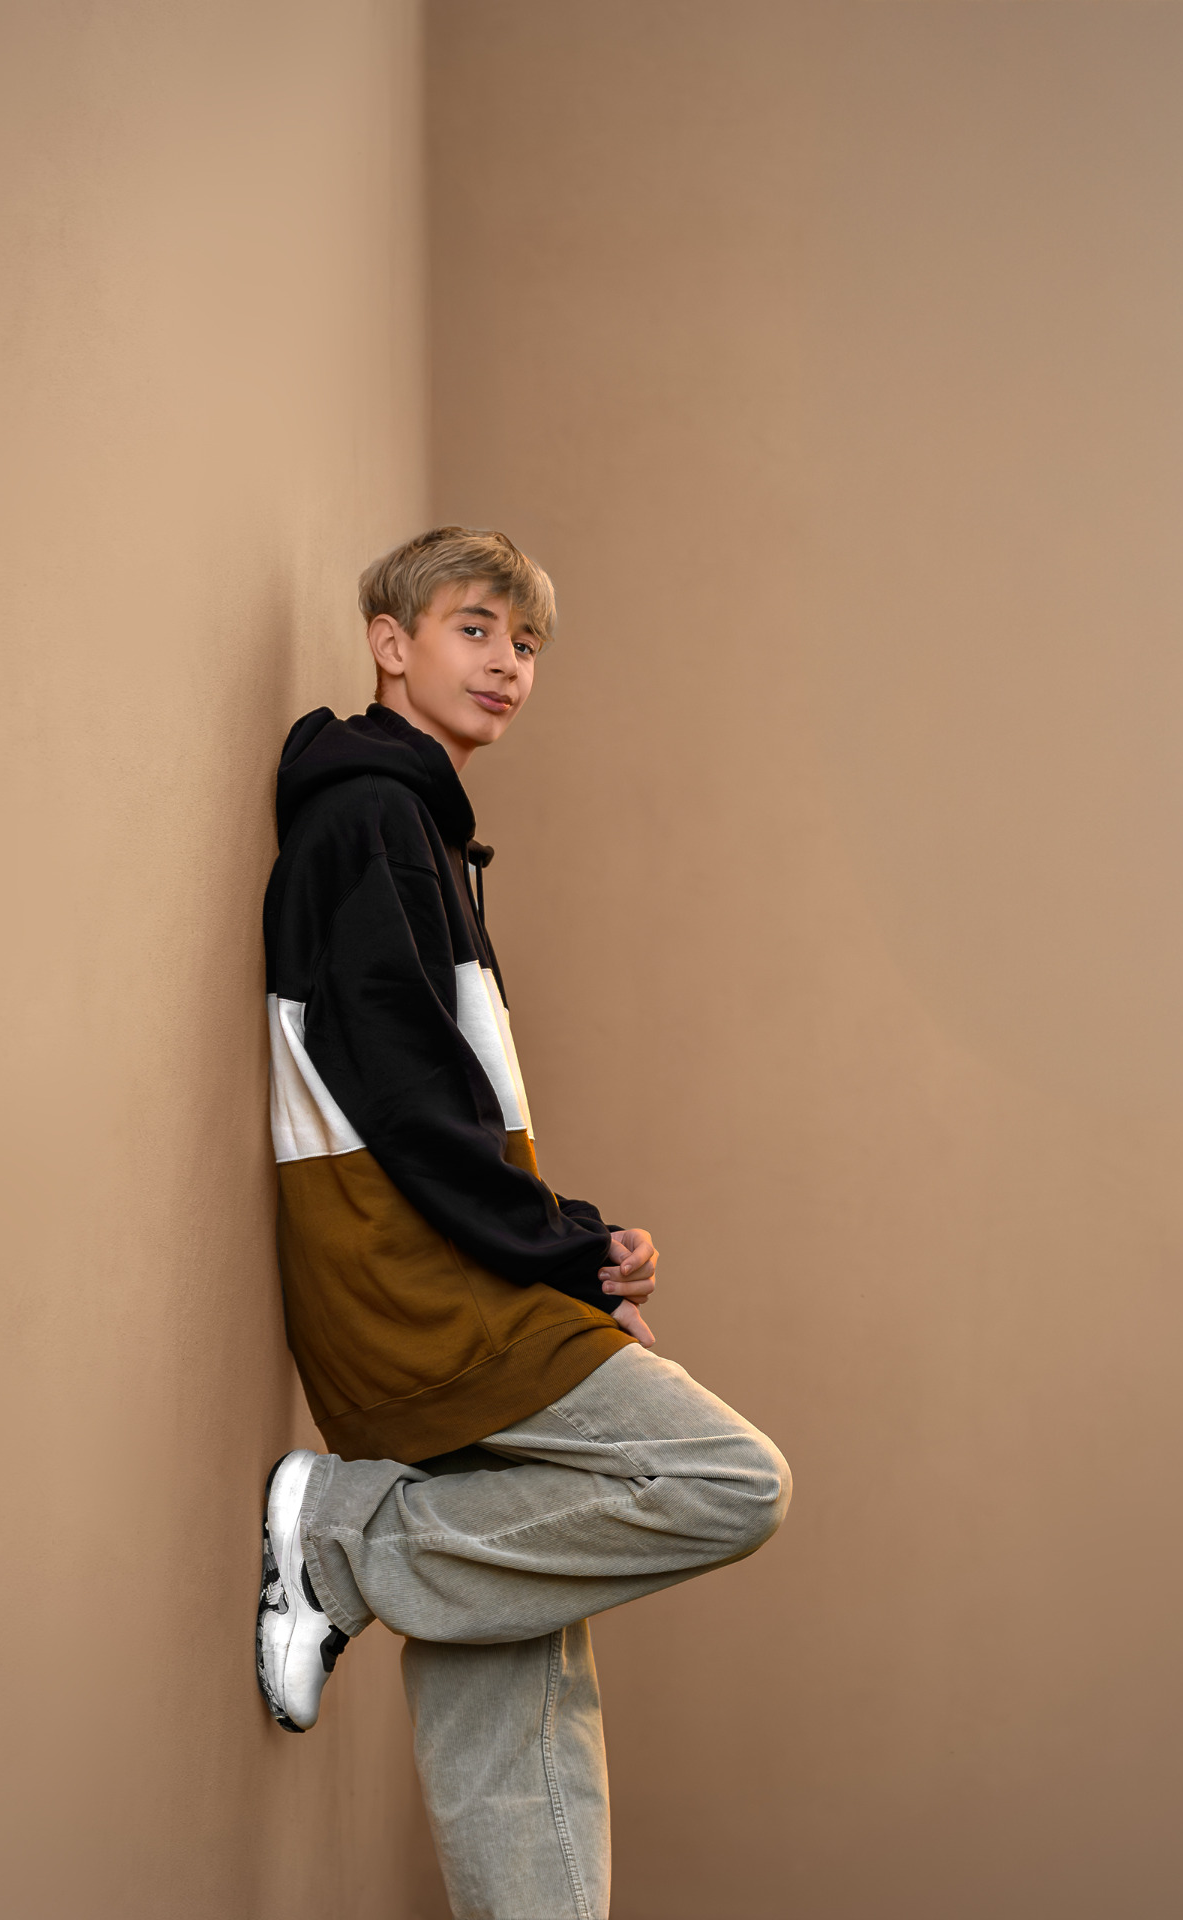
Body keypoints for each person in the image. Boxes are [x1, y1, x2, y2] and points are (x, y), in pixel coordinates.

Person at [256, 526, 790, 1920]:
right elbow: (412, 1098)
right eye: (476, 629)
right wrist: (561, 1257)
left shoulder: (418, 825)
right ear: (391, 643)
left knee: (515, 1660)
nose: (507, 664)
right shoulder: (370, 820)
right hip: (416, 1283)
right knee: (729, 1481)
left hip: (445, 1264)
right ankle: (348, 1545)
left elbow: (445, 1097)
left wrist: (577, 1244)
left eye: (528, 644)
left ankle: (381, 1554)